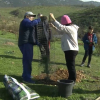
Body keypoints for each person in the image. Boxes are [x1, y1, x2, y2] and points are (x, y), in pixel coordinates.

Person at [49, 13, 79, 82]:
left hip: (71, 50)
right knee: (69, 65)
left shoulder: (71, 28)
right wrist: (54, 27)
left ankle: (72, 80)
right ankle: (71, 79)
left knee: (71, 66)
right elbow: (61, 31)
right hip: (70, 49)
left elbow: (61, 27)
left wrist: (53, 19)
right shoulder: (69, 28)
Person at [18, 11, 41, 83]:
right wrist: (39, 19)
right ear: (27, 16)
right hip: (25, 43)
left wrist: (36, 43)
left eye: (33, 16)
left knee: (28, 60)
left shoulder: (28, 23)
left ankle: (26, 74)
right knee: (27, 60)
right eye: (31, 16)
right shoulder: (25, 21)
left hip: (28, 43)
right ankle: (26, 78)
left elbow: (31, 35)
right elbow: (31, 24)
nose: (33, 17)